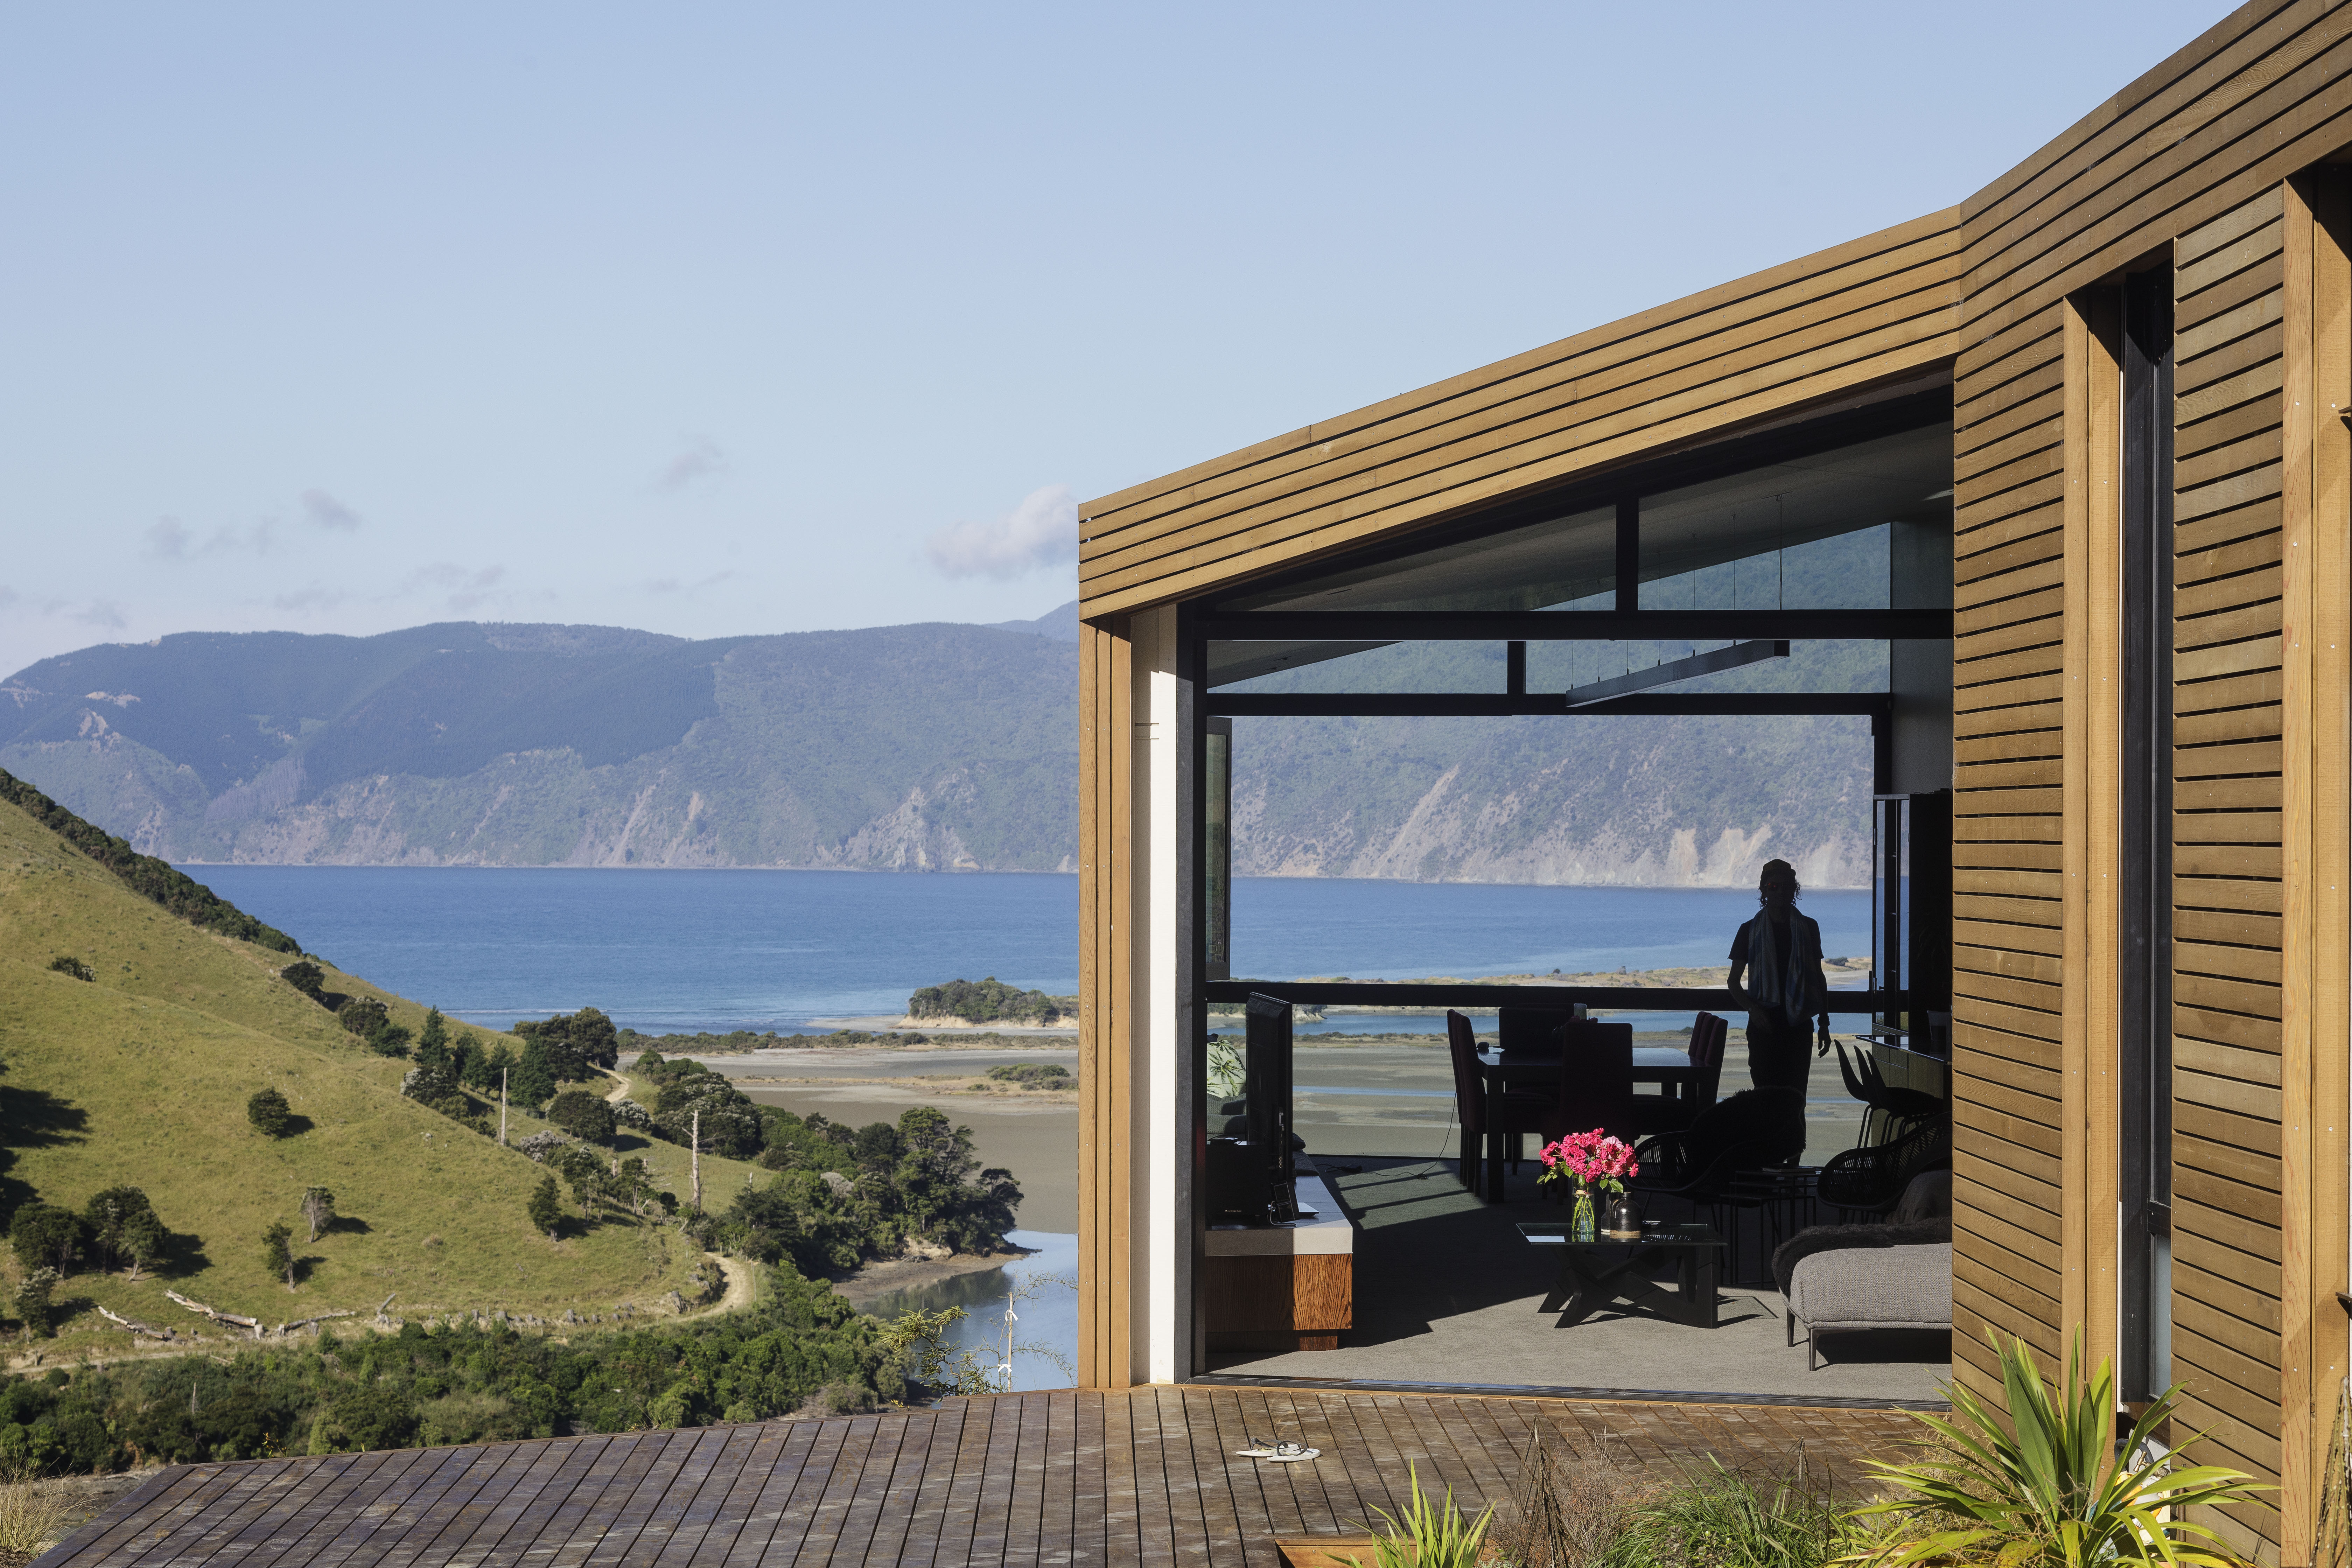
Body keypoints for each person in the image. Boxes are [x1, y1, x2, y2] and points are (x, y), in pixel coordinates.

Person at [1725, 858, 1830, 1093]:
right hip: (1764, 1026)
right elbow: (1733, 982)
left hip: (1799, 1027)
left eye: (1787, 886)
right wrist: (1753, 1010)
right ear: (1764, 890)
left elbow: (1818, 978)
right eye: (1774, 887)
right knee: (1765, 1098)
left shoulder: (1809, 927)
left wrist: (1824, 1023)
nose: (1780, 891)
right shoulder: (1749, 930)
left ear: (1795, 890)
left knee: (1796, 1098)